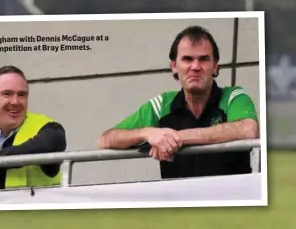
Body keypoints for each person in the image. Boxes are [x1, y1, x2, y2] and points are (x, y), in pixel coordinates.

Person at [98, 25, 259, 178]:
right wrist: (148, 133)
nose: (195, 66)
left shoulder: (233, 97)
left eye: (203, 59)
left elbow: (248, 130)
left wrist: (175, 138)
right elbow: (106, 139)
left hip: (231, 203)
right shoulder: (161, 105)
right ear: (174, 66)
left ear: (215, 66)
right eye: (187, 59)